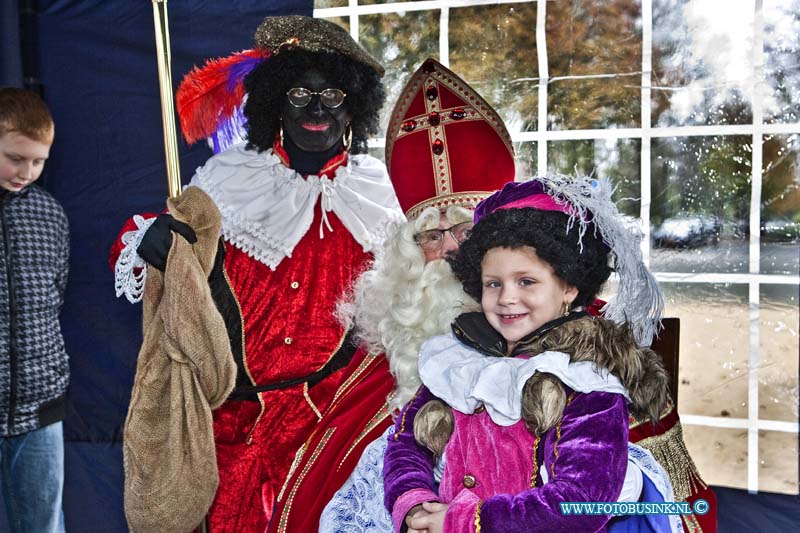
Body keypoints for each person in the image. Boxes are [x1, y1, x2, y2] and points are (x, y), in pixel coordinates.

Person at [110, 16, 403, 532]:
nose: (317, 109)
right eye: (299, 94)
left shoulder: (382, 194)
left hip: (333, 426)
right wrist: (150, 243)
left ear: (355, 105)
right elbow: (165, 244)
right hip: (233, 428)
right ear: (274, 105)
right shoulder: (229, 179)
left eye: (333, 95)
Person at [272, 58, 516, 532]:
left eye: (463, 231)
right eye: (430, 235)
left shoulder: (568, 338)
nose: (446, 250)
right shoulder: (391, 350)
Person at [385, 177, 681, 533]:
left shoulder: (588, 382)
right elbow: (406, 444)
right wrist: (414, 502)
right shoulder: (460, 360)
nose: (507, 297)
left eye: (526, 282)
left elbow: (581, 502)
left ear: (569, 287)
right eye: (493, 283)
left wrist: (469, 522)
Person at [0, 87, 69, 533]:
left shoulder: (51, 214)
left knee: (43, 526)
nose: (27, 172)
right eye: (15, 158)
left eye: (39, 161)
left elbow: (55, 296)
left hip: (41, 405)